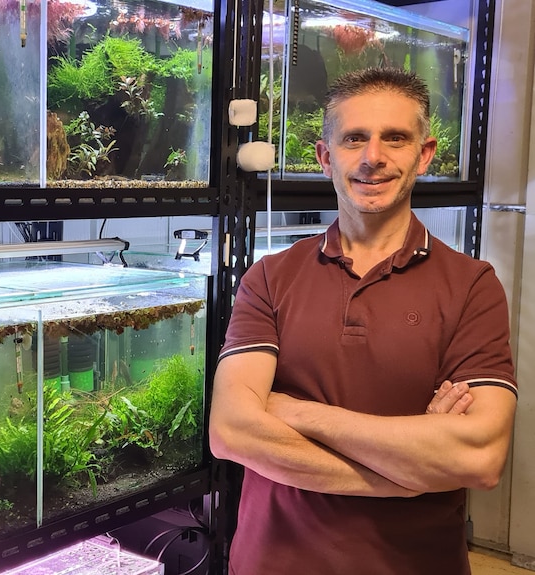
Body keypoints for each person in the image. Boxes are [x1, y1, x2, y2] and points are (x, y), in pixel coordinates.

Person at [208, 67, 518, 575]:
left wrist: (294, 412)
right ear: (325, 157)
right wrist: (409, 472)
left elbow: (480, 456)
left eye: (395, 138)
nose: (373, 157)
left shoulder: (472, 286)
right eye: (355, 139)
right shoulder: (269, 278)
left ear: (424, 154)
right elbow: (232, 432)